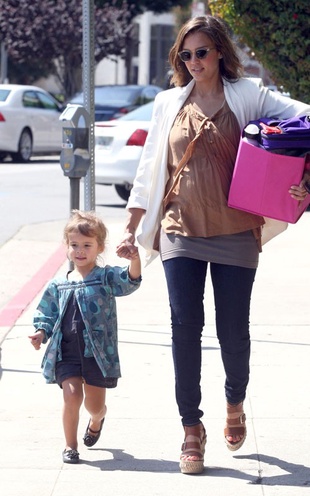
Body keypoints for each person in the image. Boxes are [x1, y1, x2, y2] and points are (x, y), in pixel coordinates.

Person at [116, 15, 310, 475]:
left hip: (235, 230)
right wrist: (131, 225)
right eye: (185, 54)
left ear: (220, 51)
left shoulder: (248, 95)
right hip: (180, 228)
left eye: (201, 52)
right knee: (184, 328)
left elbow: (304, 122)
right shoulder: (168, 103)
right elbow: (149, 168)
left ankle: (234, 401)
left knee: (232, 331)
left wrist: (301, 178)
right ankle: (190, 428)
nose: (193, 61)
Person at [29, 210, 141, 464]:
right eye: (74, 245)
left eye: (87, 245)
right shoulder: (58, 285)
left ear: (100, 247)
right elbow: (47, 314)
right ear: (66, 247)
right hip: (66, 353)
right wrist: (40, 333)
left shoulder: (105, 277)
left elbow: (130, 281)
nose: (80, 251)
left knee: (94, 405)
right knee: (71, 396)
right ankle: (70, 446)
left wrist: (135, 260)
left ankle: (97, 419)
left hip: (97, 354)